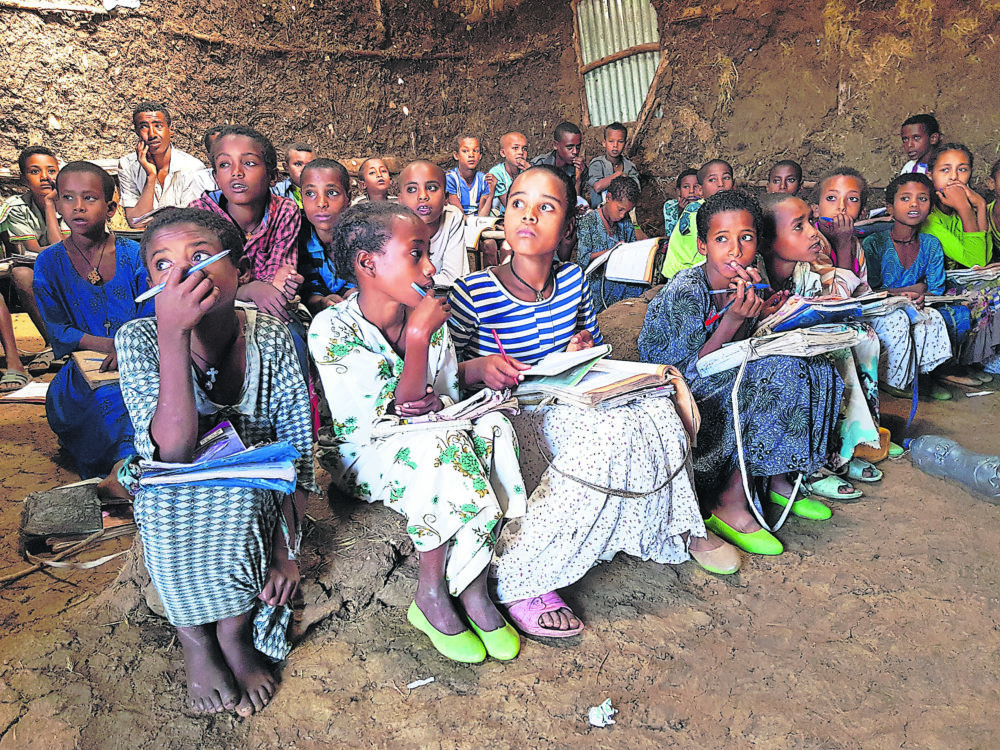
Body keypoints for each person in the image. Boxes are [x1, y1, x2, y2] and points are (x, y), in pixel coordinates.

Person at [449, 165, 718, 637]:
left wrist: (579, 349)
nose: (528, 215)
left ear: (569, 226)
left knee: (658, 404)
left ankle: (676, 525)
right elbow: (449, 376)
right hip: (515, 410)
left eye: (545, 207)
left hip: (570, 396)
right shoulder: (472, 292)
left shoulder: (573, 281)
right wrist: (477, 368)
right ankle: (521, 576)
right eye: (517, 203)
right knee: (611, 436)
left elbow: (594, 349)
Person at [116, 207, 314, 716]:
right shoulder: (139, 339)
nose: (179, 275)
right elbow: (173, 453)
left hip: (256, 493)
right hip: (176, 492)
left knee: (241, 488)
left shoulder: (270, 337)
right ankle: (194, 639)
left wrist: (286, 551)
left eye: (201, 257)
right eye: (162, 265)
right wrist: (173, 335)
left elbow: (298, 453)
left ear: (240, 270)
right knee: (160, 492)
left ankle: (233, 632)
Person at [310, 202, 522, 663]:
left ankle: (471, 584)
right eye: (416, 254)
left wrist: (478, 369)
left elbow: (437, 390)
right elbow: (401, 408)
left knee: (494, 427)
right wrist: (419, 338)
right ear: (368, 263)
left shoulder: (423, 315)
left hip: (426, 433)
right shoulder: (331, 328)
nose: (429, 268)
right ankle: (430, 594)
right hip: (366, 452)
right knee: (437, 444)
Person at [639, 190, 844, 555]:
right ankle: (727, 501)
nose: (735, 250)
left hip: (720, 368)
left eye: (745, 238)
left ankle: (777, 479)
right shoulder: (688, 289)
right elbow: (690, 369)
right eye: (722, 239)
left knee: (814, 366)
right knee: (776, 374)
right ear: (703, 245)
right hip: (681, 388)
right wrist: (734, 318)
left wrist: (764, 314)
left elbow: (742, 344)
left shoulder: (752, 277)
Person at [757, 192, 887, 489]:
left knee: (860, 337)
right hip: (769, 361)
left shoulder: (806, 272)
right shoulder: (757, 276)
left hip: (800, 346)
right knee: (825, 357)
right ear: (766, 241)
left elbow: (837, 300)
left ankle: (842, 447)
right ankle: (808, 464)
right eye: (799, 226)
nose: (814, 232)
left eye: (811, 222)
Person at [32, 161, 152, 478]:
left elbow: (151, 312)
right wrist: (111, 346)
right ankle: (122, 471)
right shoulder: (49, 262)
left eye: (89, 198)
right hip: (88, 372)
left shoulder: (135, 254)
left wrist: (129, 349)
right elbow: (60, 330)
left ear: (111, 207)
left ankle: (128, 470)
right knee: (108, 399)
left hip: (140, 362)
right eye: (68, 198)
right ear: (57, 204)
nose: (78, 207)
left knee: (149, 398)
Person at [188, 125, 307, 375]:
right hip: (213, 312)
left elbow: (277, 286)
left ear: (272, 176)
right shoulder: (200, 214)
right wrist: (251, 289)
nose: (237, 173)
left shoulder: (285, 211)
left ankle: (299, 410)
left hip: (267, 312)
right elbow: (203, 284)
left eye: (250, 164)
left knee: (293, 333)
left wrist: (279, 285)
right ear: (215, 178)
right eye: (224, 165)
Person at [861, 173, 964, 391]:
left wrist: (920, 294)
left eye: (923, 199)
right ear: (890, 207)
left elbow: (936, 288)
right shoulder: (874, 243)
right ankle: (894, 384)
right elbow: (870, 290)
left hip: (909, 304)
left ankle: (922, 377)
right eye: (905, 198)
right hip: (880, 310)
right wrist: (912, 289)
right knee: (899, 319)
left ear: (930, 206)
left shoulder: (931, 244)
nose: (914, 204)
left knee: (932, 316)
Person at [0, 145, 63, 380]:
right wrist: (48, 206)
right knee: (21, 274)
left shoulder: (71, 199)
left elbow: (64, 248)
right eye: (35, 172)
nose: (45, 177)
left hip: (77, 265)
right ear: (23, 179)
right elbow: (34, 249)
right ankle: (52, 343)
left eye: (52, 170)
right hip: (39, 266)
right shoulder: (16, 207)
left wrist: (50, 205)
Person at [118, 102, 209, 227]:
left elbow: (190, 220)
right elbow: (135, 222)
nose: (152, 134)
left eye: (158, 126)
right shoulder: (127, 165)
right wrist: (151, 176)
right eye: (144, 127)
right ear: (136, 132)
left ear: (170, 130)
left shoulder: (192, 168)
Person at [575, 175, 645, 312]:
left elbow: (631, 250)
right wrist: (611, 252)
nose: (622, 215)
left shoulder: (625, 222)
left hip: (620, 276)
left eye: (627, 211)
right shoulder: (589, 221)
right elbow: (582, 260)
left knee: (641, 291)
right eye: (620, 209)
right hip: (596, 283)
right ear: (608, 198)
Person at [296, 159, 355, 314]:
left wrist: (355, 295)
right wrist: (320, 302)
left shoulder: (362, 237)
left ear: (348, 198)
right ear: (301, 198)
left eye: (332, 193)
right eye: (310, 194)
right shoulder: (296, 235)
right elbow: (305, 288)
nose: (321, 203)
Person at [398, 161, 469, 287]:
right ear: (400, 200)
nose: (422, 196)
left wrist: (411, 283)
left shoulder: (452, 217)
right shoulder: (393, 225)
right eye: (412, 189)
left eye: (431, 188)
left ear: (446, 198)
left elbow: (454, 278)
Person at [660, 159, 734, 280]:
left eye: (726, 178)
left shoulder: (728, 210)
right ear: (700, 190)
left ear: (733, 184)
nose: (720, 184)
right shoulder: (696, 212)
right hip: (682, 275)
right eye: (712, 180)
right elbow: (703, 254)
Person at [921, 143, 990, 269]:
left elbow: (985, 258)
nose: (954, 177)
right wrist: (964, 209)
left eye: (962, 169)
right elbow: (977, 263)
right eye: (945, 170)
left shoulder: (965, 209)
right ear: (930, 175)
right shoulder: (928, 219)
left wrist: (981, 206)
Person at [531, 121, 588, 204]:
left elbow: (577, 204)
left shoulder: (580, 168)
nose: (575, 152)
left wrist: (578, 180)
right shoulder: (539, 166)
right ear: (555, 145)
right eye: (569, 148)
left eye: (578, 147)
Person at [586, 121, 640, 208]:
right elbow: (597, 187)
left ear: (625, 145)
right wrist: (618, 175)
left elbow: (636, 191)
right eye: (611, 141)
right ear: (604, 143)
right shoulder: (597, 164)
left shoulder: (629, 167)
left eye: (620, 141)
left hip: (624, 213)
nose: (615, 145)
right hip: (600, 213)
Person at [446, 135, 496, 217]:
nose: (471, 155)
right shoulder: (451, 179)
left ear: (480, 155)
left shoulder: (484, 180)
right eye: (465, 151)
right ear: (456, 155)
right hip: (457, 223)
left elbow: (482, 217)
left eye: (475, 151)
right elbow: (459, 215)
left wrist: (491, 194)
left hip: (477, 223)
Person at [487, 131, 529, 215]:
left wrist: (531, 173)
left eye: (524, 149)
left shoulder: (527, 171)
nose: (521, 152)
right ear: (503, 153)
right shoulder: (497, 173)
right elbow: (509, 204)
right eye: (515, 148)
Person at [272, 143, 316, 208]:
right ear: (286, 167)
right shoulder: (276, 192)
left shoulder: (324, 191)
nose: (304, 170)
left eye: (310, 165)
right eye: (298, 164)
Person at [662, 168, 699, 237]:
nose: (691, 191)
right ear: (678, 191)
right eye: (686, 187)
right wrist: (681, 212)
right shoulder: (670, 207)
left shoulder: (707, 205)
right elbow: (671, 236)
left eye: (696, 186)